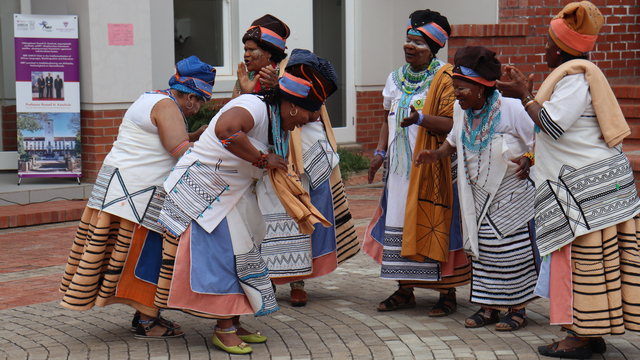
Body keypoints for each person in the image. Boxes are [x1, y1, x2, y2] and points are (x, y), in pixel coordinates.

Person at [153, 49, 339, 355]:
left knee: (250, 250)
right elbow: (226, 130)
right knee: (229, 258)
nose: (310, 120)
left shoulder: (277, 118)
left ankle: (235, 321)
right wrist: (264, 159)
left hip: (232, 193)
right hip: (208, 193)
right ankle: (223, 328)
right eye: (309, 114)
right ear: (293, 106)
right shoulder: (254, 106)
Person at [497, 1, 640, 357]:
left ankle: (581, 335)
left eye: (547, 43)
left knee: (581, 265)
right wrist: (533, 158)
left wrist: (524, 95)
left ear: (560, 48)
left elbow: (553, 126)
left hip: (585, 195)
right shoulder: (577, 77)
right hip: (592, 191)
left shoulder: (575, 79)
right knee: (593, 264)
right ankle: (589, 333)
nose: (544, 49)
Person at [59, 56, 215, 339]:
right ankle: (146, 321)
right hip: (136, 199)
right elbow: (180, 153)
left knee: (128, 259)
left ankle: (145, 316)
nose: (199, 108)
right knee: (145, 260)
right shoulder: (168, 107)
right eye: (201, 101)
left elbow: (158, 140)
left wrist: (194, 135)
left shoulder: (150, 98)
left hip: (118, 193)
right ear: (191, 96)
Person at [234, 15, 360, 307]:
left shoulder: (296, 70)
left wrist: (279, 87)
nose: (246, 54)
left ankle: (297, 281)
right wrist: (245, 89)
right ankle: (267, 279)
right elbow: (241, 115)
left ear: (270, 53)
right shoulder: (249, 79)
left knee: (293, 215)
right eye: (245, 48)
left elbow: (311, 112)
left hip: (295, 160)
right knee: (262, 218)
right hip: (263, 160)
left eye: (252, 49)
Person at [415, 46, 539, 331]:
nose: (456, 95)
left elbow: (538, 139)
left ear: (481, 87)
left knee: (512, 251)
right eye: (454, 88)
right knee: (483, 251)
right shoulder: (462, 112)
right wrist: (435, 154)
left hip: (511, 195)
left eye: (461, 89)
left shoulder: (511, 108)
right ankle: (488, 307)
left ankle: (517, 309)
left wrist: (529, 158)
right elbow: (454, 140)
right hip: (477, 195)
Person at [362, 9, 472, 317]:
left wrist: (421, 119)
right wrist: (379, 153)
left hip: (432, 168)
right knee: (398, 222)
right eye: (408, 41)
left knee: (434, 224)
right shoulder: (395, 79)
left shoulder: (446, 78)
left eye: (419, 44)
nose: (410, 47)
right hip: (398, 171)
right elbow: (387, 120)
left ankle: (446, 292)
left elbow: (454, 125)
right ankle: (404, 289)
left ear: (434, 48)